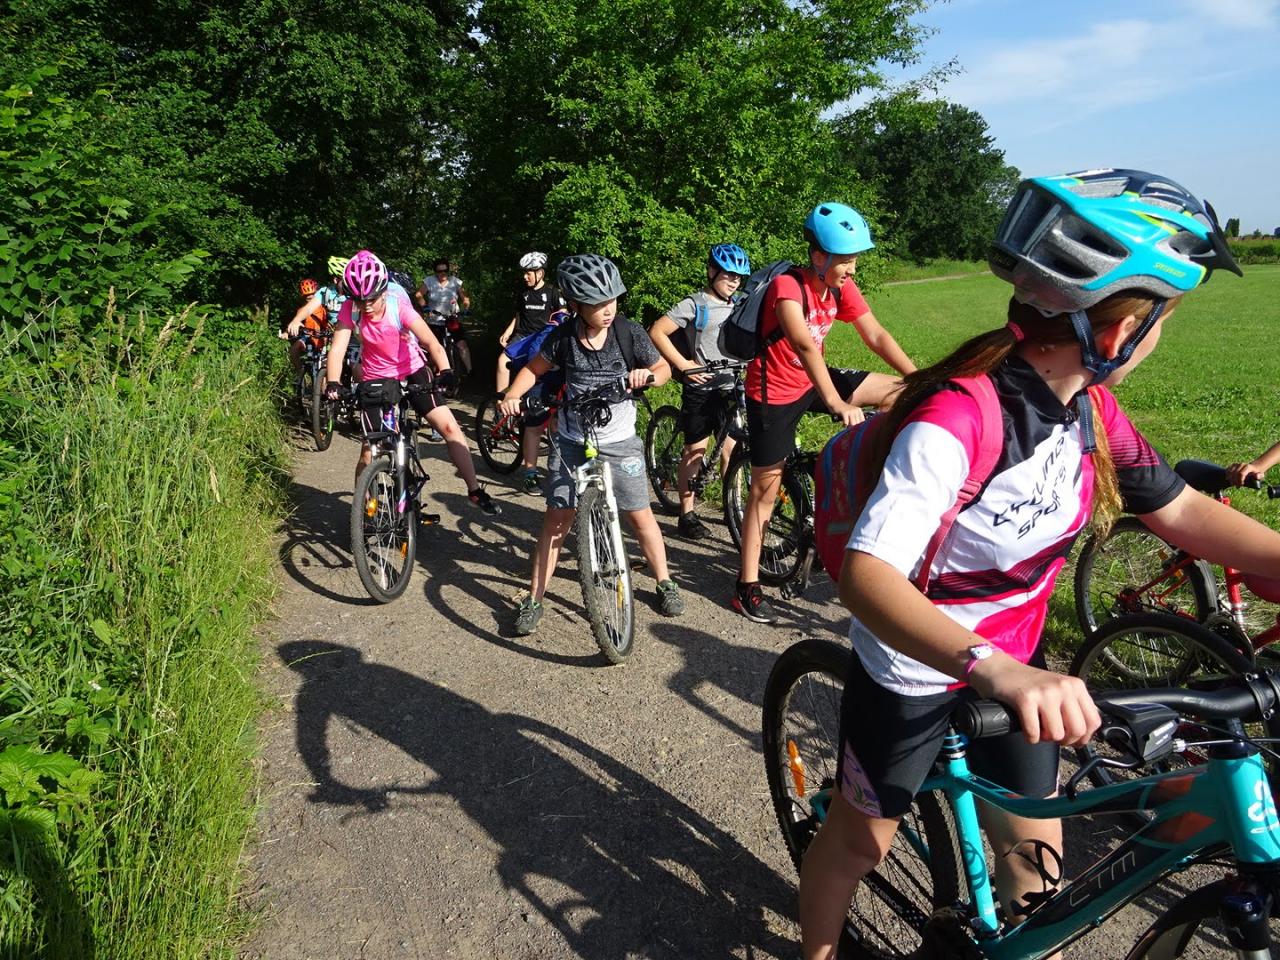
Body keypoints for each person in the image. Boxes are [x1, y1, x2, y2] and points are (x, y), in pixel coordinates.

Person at [797, 169, 1270, 960]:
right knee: (859, 844)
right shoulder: (958, 418)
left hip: (1016, 666)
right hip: (919, 666)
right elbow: (868, 575)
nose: (1161, 337)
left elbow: (1182, 511)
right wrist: (995, 670)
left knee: (1037, 868)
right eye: (1164, 320)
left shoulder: (1089, 409)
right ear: (1119, 334)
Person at [734, 202, 916, 623]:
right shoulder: (787, 287)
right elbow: (803, 345)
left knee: (900, 393)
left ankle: (860, 470)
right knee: (764, 493)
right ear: (819, 257)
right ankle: (747, 586)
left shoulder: (840, 287)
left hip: (813, 379)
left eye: (855, 259)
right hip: (774, 392)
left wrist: (920, 377)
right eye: (845, 260)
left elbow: (875, 334)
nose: (852, 268)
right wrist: (835, 402)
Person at [498, 254, 684, 636]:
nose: (607, 309)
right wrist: (512, 395)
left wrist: (648, 376)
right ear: (576, 305)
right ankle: (534, 598)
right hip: (572, 441)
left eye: (611, 300)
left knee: (640, 515)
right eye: (598, 304)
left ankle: (664, 581)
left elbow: (664, 368)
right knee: (556, 520)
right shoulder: (563, 337)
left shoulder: (629, 332)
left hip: (620, 442)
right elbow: (533, 371)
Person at [324, 250, 499, 516]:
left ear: (384, 291)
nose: (365, 305)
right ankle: (362, 511)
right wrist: (333, 382)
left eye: (371, 299)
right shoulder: (351, 308)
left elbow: (432, 343)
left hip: (412, 369)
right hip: (376, 376)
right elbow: (337, 349)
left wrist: (446, 371)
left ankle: (474, 491)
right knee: (369, 450)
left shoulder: (399, 307)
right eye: (359, 300)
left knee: (449, 427)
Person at [648, 243, 753, 539]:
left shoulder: (740, 304)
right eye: (728, 275)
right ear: (711, 272)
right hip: (701, 387)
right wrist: (683, 365)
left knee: (732, 450)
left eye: (738, 277)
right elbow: (657, 331)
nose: (734, 281)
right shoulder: (695, 304)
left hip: (731, 386)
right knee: (696, 450)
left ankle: (733, 508)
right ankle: (687, 514)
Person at [497, 251, 569, 493]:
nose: (525, 276)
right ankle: (503, 402)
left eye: (530, 272)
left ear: (541, 273)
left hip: (545, 344)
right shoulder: (523, 294)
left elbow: (563, 316)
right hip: (528, 341)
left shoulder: (553, 293)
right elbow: (518, 316)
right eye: (524, 272)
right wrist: (509, 332)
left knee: (556, 421)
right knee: (503, 361)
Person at [416, 257, 472, 377]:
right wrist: (425, 307)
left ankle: (470, 371)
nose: (443, 274)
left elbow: (465, 298)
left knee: (462, 344)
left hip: (452, 318)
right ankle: (435, 373)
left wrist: (466, 308)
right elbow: (419, 295)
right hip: (435, 319)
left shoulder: (455, 282)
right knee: (434, 347)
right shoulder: (429, 281)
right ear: (435, 272)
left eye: (445, 271)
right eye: (439, 271)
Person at [281, 278, 330, 376]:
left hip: (322, 337)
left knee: (324, 366)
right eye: (307, 295)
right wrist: (286, 332)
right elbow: (295, 323)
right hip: (308, 337)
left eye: (312, 294)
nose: (310, 297)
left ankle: (323, 383)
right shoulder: (301, 311)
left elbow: (330, 322)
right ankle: (300, 374)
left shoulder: (324, 308)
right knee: (294, 349)